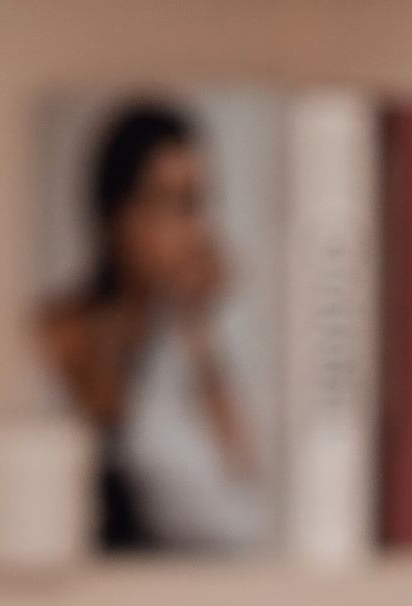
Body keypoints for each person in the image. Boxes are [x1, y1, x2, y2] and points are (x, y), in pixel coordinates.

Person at [36, 101, 268, 555]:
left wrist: (198, 327)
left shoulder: (192, 336)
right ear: (118, 215)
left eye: (200, 202)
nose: (195, 227)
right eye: (176, 204)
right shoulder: (63, 331)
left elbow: (243, 495)